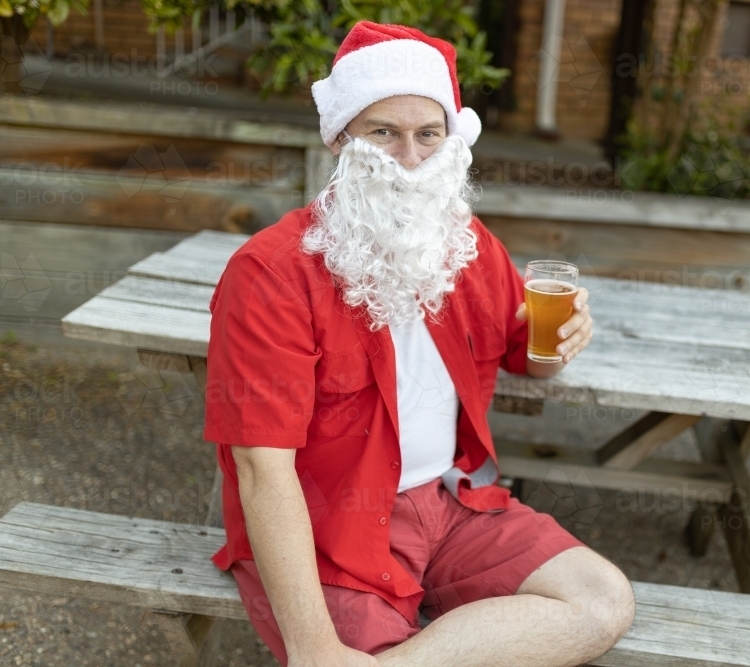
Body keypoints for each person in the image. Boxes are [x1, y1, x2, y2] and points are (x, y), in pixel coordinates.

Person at [204, 20, 635, 667]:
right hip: (332, 529)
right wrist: (315, 646)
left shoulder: (467, 245)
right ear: (342, 140)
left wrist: (565, 336)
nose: (410, 157)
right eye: (384, 132)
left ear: (451, 142)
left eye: (428, 134)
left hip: (452, 502)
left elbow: (525, 351)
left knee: (601, 600)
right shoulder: (269, 272)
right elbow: (263, 471)